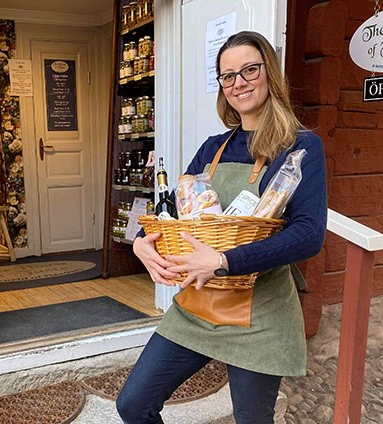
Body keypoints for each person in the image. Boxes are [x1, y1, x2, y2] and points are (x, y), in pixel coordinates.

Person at [116, 31, 328, 424]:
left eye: (249, 70)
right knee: (133, 404)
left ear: (270, 73)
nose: (238, 83)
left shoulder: (300, 147)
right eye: (227, 76)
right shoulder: (212, 147)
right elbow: (174, 214)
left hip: (260, 313)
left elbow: (309, 234)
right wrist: (143, 243)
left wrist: (224, 260)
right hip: (198, 304)